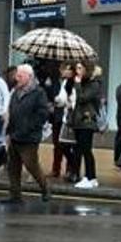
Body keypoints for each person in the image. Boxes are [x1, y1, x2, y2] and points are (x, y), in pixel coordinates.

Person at [0, 64, 52, 204]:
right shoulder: (16, 92)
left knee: (31, 165)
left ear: (29, 77)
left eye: (20, 76)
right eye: (17, 75)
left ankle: (45, 189)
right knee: (13, 167)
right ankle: (15, 195)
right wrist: (9, 132)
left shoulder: (39, 93)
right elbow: (12, 111)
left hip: (29, 137)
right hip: (14, 135)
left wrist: (28, 128)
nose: (17, 78)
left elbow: (42, 114)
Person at [68, 61, 103, 189]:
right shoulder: (83, 83)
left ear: (86, 69)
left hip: (87, 120)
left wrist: (77, 84)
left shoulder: (94, 84)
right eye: (76, 68)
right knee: (80, 148)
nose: (77, 70)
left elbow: (82, 98)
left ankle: (91, 177)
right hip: (78, 120)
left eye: (80, 68)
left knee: (86, 149)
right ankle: (89, 177)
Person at [47, 62, 75, 180]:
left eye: (68, 69)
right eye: (63, 69)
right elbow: (56, 97)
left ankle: (70, 169)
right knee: (57, 144)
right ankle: (56, 169)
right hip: (57, 116)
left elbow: (69, 100)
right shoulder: (56, 82)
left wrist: (60, 101)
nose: (65, 71)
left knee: (67, 145)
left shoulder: (74, 83)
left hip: (69, 117)